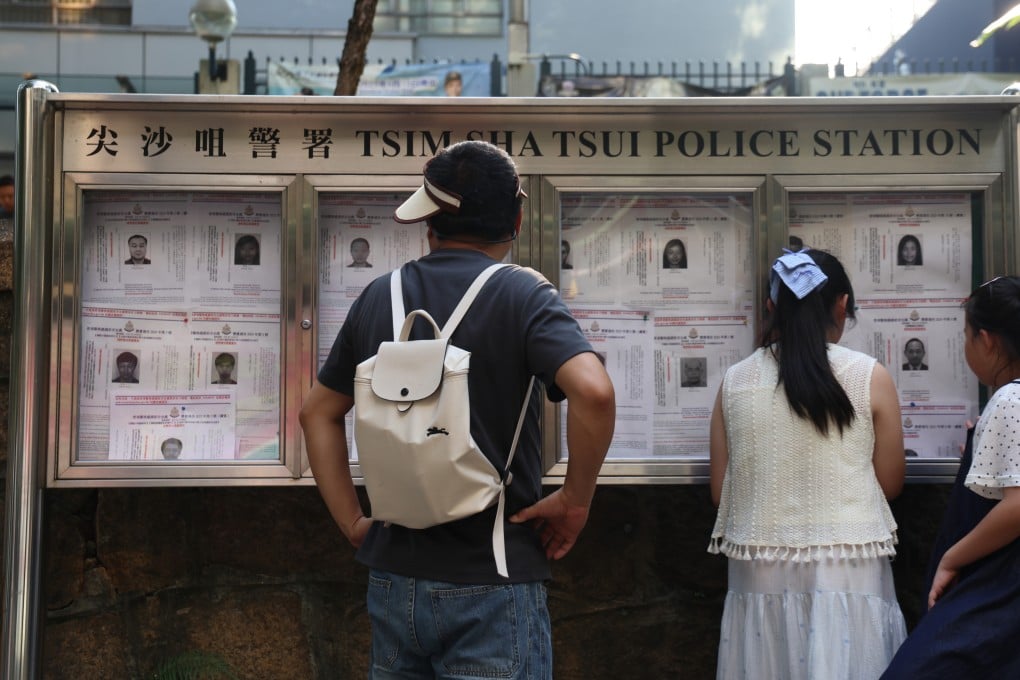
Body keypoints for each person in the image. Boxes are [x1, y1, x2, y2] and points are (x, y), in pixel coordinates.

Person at [300, 140, 616, 678]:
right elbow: (595, 392)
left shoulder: (381, 295)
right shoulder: (523, 294)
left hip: (393, 581)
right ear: (517, 218)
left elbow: (317, 413)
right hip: (492, 582)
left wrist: (355, 522)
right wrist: (575, 500)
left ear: (429, 220)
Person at [708, 248, 906, 680]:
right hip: (848, 566)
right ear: (843, 305)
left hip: (759, 567)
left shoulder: (735, 381)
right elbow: (890, 483)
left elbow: (722, 491)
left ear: (770, 307)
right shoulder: (869, 375)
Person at [881, 276, 1020, 678]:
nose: (965, 348)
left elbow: (1016, 506)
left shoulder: (1010, 398)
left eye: (967, 336)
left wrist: (951, 558)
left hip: (998, 588)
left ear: (988, 341)